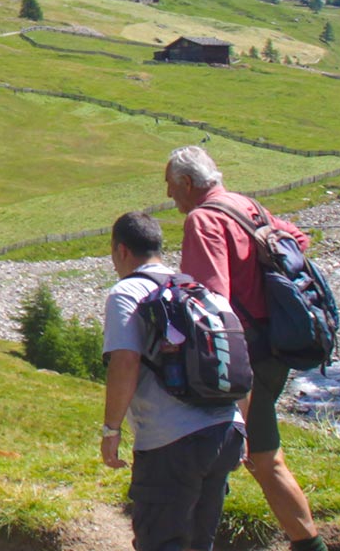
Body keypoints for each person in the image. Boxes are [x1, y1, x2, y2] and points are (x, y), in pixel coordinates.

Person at [168, 146, 327, 551]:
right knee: (254, 453)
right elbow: (298, 240)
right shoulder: (246, 205)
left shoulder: (202, 219)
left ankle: (308, 544)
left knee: (248, 455)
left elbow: (211, 300)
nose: (170, 197)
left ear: (187, 183)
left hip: (244, 358)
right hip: (276, 345)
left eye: (170, 186)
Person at [102, 209, 245, 551]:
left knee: (160, 541)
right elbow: (240, 363)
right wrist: (245, 429)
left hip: (171, 440)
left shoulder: (126, 293)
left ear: (121, 250)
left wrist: (111, 430)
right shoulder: (203, 292)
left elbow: (125, 360)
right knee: (200, 542)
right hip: (227, 431)